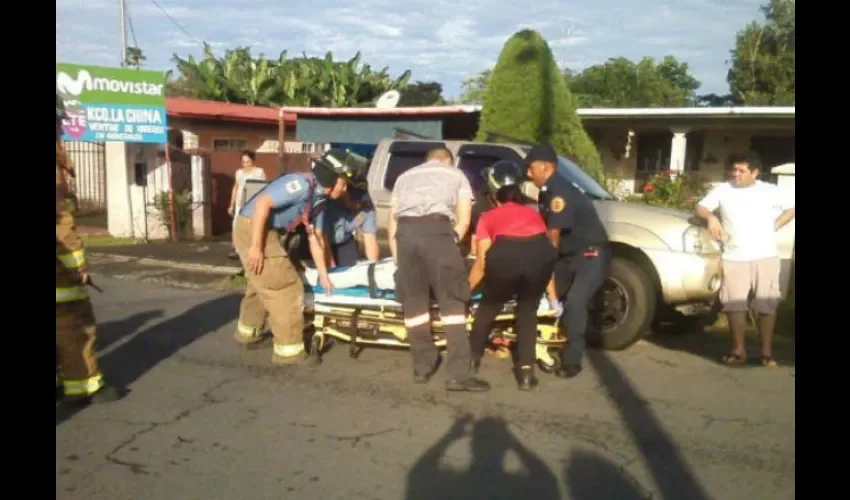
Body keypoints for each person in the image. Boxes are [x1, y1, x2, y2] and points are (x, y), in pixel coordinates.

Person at [232, 150, 351, 364]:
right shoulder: (301, 185)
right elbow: (262, 203)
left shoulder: (320, 199)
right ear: (331, 180)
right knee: (285, 287)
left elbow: (314, 237)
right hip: (254, 227)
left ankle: (248, 333)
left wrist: (324, 275)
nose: (345, 189)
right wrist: (257, 247)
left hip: (263, 228)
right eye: (343, 183)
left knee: (262, 281)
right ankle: (289, 352)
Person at [388, 147, 490, 392]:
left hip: (406, 235)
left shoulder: (404, 177)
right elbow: (464, 220)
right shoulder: (456, 175)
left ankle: (422, 367)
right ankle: (458, 375)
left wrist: (398, 258)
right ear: (449, 161)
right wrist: (447, 243)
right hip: (438, 231)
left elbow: (392, 223)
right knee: (453, 301)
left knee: (414, 306)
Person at [695, 151, 795, 367]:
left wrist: (776, 225)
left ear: (755, 172)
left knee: (766, 304)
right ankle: (738, 350)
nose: (736, 174)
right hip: (734, 255)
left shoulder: (770, 191)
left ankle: (766, 353)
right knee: (734, 304)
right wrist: (711, 218)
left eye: (742, 170)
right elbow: (701, 207)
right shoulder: (724, 189)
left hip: (765, 255)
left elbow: (792, 207)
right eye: (734, 169)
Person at [467, 161, 559, 391]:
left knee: (488, 308)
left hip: (506, 257)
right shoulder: (534, 214)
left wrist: (464, 292)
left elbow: (481, 263)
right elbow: (546, 259)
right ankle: (526, 374)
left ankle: (470, 363)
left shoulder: (488, 217)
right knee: (528, 312)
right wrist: (553, 298)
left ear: (494, 196)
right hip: (540, 258)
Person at [56, 94, 122, 404]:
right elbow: (61, 225)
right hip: (62, 271)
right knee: (75, 323)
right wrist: (77, 270)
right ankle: (84, 384)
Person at [525, 144, 611, 379]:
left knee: (574, 303)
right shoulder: (547, 190)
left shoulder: (559, 189)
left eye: (531, 168)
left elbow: (553, 232)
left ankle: (572, 361)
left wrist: (544, 262)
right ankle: (536, 343)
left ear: (546, 167)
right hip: (569, 255)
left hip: (589, 255)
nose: (528, 173)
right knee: (545, 296)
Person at [228, 150, 267, 259]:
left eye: (248, 162)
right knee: (236, 224)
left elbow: (265, 187)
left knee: (253, 225)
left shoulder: (259, 172)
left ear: (253, 161)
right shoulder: (239, 173)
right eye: (243, 162)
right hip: (240, 203)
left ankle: (253, 248)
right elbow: (235, 188)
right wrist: (231, 205)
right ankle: (236, 249)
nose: (246, 164)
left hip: (254, 203)